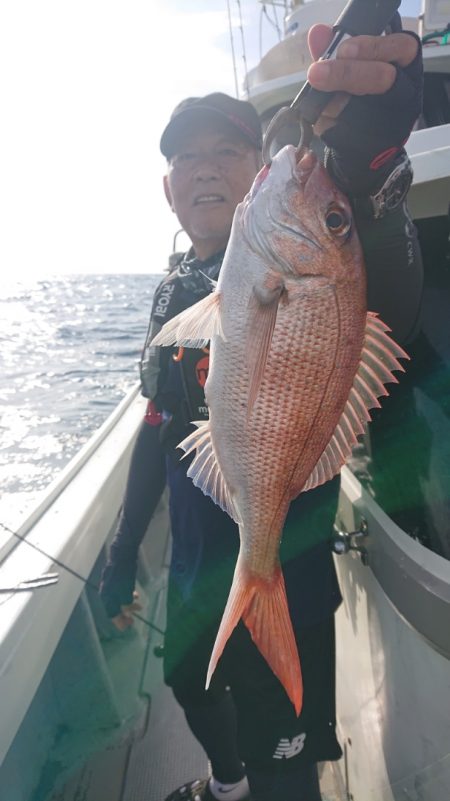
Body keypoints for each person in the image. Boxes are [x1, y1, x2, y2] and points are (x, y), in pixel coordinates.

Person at [100, 24, 424, 801]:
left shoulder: (301, 265)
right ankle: (226, 782)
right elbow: (156, 423)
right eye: (185, 157)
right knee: (190, 680)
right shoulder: (176, 287)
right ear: (168, 185)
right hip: (192, 569)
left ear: (254, 173)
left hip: (287, 569)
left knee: (290, 764)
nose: (202, 169)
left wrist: (373, 175)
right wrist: (120, 547)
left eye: (225, 151)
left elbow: (381, 290)